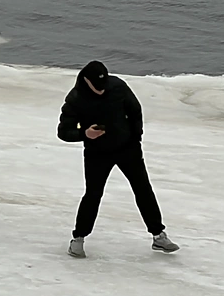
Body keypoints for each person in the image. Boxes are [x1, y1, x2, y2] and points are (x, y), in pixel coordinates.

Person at [57, 61, 179, 258]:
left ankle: (158, 236)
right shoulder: (75, 99)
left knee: (143, 189)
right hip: (97, 153)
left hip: (127, 148)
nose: (101, 90)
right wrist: (85, 134)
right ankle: (78, 239)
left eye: (103, 86)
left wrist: (135, 137)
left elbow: (135, 111)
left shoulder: (118, 86)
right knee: (93, 195)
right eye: (97, 87)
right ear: (86, 81)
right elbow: (63, 132)